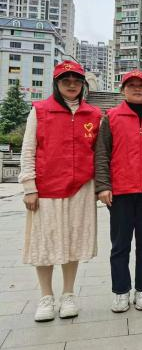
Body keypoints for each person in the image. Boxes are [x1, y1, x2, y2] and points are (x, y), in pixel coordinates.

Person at [19, 60, 101, 321]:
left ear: (83, 84)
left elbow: (99, 153)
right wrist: (29, 187)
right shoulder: (40, 111)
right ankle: (46, 297)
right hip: (46, 187)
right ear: (56, 83)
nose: (72, 85)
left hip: (81, 187)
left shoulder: (94, 114)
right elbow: (28, 150)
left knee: (73, 240)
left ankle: (68, 294)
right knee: (44, 242)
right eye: (66, 80)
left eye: (77, 80)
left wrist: (101, 187)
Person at [95, 70, 142, 313]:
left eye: (141, 85)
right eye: (131, 85)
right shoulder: (111, 117)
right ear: (123, 90)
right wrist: (103, 186)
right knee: (120, 245)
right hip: (121, 192)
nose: (137, 89)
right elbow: (102, 153)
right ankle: (120, 291)